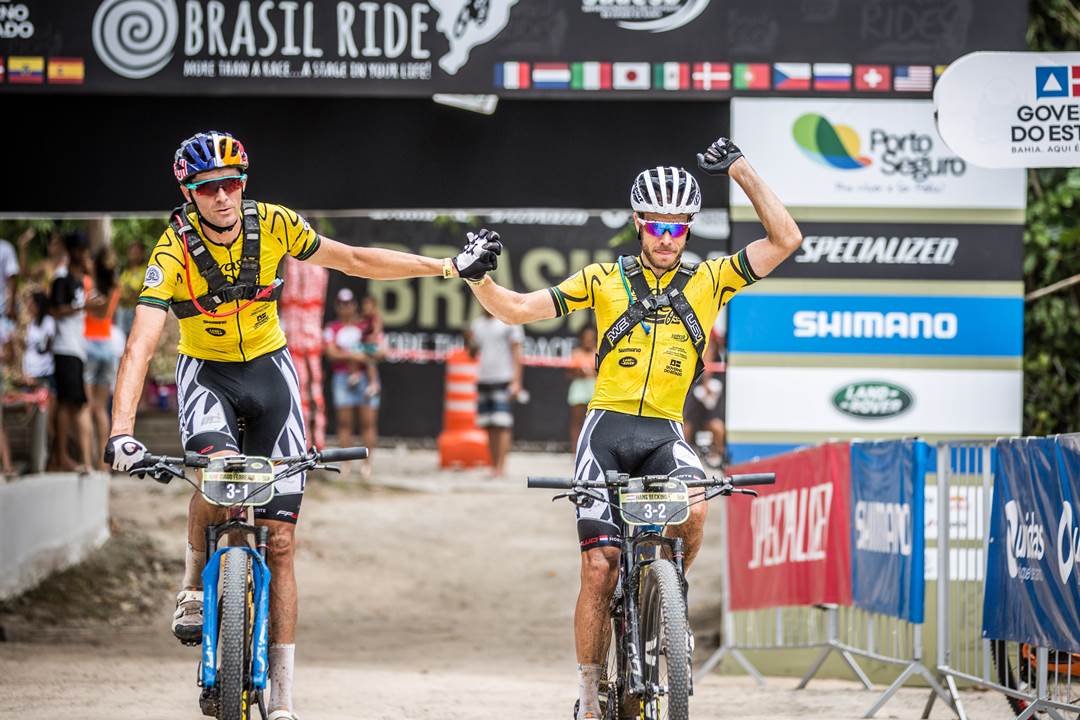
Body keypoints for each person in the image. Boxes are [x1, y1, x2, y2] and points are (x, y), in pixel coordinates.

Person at [103, 130, 495, 720]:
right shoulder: (171, 252)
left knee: (281, 542)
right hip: (207, 373)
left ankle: (283, 699)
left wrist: (447, 266)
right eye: (208, 188)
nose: (224, 197)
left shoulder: (277, 225)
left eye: (233, 182)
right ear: (187, 194)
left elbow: (356, 261)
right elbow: (139, 345)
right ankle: (191, 585)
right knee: (213, 470)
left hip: (269, 371)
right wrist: (121, 430)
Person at [457, 138, 803, 720]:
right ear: (638, 224)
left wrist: (739, 170)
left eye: (678, 228)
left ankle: (670, 597)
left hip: (665, 432)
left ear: (688, 230)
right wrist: (477, 280)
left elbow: (786, 240)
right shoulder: (603, 278)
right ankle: (591, 697)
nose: (666, 239)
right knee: (599, 567)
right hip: (605, 432)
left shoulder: (711, 279)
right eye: (656, 226)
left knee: (695, 505)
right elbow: (516, 309)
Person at [323, 288, 381, 479]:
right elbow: (331, 353)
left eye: (349, 304)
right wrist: (353, 354)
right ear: (337, 306)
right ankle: (346, 463)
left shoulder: (364, 326)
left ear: (354, 305)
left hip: (364, 375)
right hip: (342, 376)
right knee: (345, 423)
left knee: (367, 423)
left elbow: (379, 349)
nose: (346, 308)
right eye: (342, 304)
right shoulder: (332, 328)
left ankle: (367, 464)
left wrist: (363, 354)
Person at [50, 231, 94, 472]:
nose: (86, 254)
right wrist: (82, 306)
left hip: (77, 348)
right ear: (74, 251)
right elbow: (55, 310)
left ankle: (64, 458)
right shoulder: (61, 277)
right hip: (65, 347)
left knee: (71, 403)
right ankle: (62, 457)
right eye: (83, 250)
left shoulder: (78, 279)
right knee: (70, 404)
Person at [464, 306, 524, 479]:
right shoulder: (478, 324)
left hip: (503, 378)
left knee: (502, 425)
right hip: (483, 379)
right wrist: (469, 341)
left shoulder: (508, 321)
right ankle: (493, 466)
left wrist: (517, 381)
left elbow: (517, 352)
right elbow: (472, 353)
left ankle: (501, 467)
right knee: (489, 425)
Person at [85, 246, 121, 471]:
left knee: (87, 408)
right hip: (107, 345)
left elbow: (96, 312)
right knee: (100, 409)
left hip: (89, 344)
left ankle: (89, 460)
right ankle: (104, 464)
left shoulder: (88, 284)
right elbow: (107, 313)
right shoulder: (115, 287)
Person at [682, 324, 726, 467]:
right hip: (696, 394)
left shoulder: (710, 333)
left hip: (708, 396)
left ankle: (720, 457)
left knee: (716, 425)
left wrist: (707, 382)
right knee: (686, 423)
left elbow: (710, 351)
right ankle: (682, 455)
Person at [567, 325, 597, 448]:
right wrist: (579, 372)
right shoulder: (576, 353)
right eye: (586, 338)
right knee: (577, 422)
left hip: (594, 388)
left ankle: (591, 450)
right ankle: (575, 451)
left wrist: (593, 373)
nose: (588, 341)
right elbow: (569, 373)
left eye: (591, 338)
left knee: (593, 423)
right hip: (579, 388)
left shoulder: (598, 352)